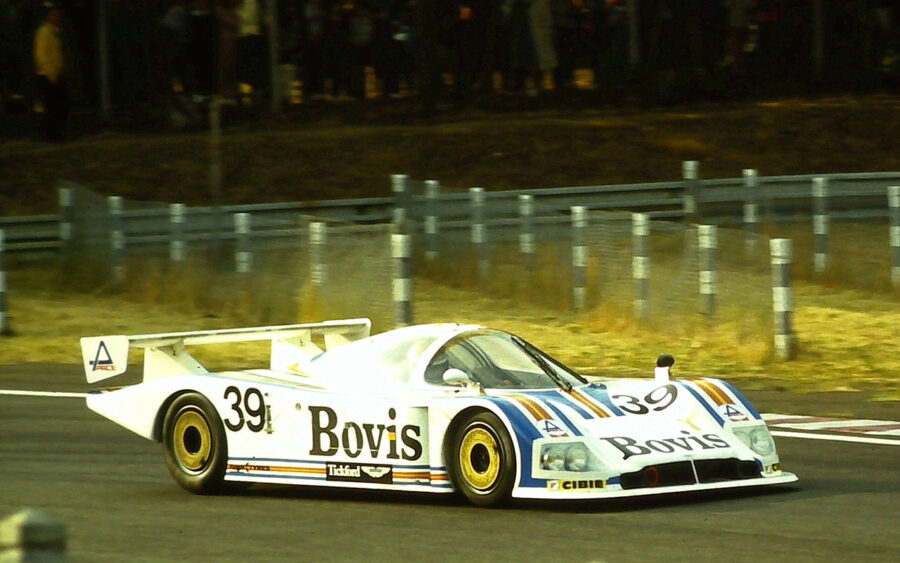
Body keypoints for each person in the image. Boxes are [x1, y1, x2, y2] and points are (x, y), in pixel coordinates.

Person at [33, 5, 68, 141]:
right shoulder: (44, 31)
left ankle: (54, 133)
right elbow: (41, 54)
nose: (56, 18)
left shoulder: (56, 31)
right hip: (47, 74)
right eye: (53, 15)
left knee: (57, 106)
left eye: (57, 15)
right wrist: (50, 73)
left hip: (55, 73)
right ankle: (52, 134)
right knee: (53, 106)